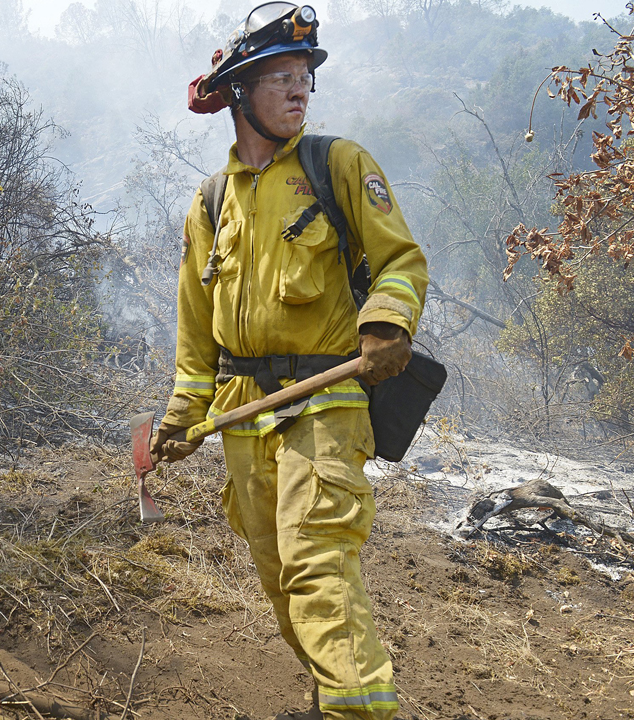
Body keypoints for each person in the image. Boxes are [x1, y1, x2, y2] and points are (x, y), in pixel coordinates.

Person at [152, 4, 428, 719]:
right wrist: (183, 417)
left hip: (325, 400)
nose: (300, 89)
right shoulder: (211, 203)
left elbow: (400, 261)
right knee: (280, 579)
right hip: (243, 417)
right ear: (239, 93)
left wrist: (387, 323)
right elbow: (195, 332)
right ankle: (327, 696)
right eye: (280, 77)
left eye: (306, 76)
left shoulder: (338, 165)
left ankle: (357, 711)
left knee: (317, 564)